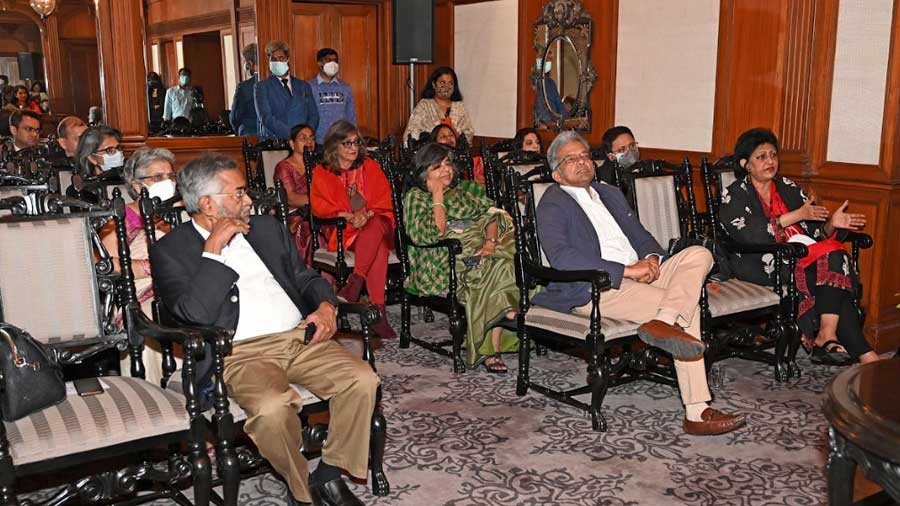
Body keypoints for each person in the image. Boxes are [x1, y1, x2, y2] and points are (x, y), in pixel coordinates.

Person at [150, 154, 377, 506]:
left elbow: (304, 277)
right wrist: (213, 253)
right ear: (208, 204)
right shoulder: (171, 250)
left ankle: (329, 474)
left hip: (300, 337)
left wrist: (326, 306)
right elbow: (191, 315)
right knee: (272, 409)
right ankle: (301, 490)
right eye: (239, 194)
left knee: (363, 380)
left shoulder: (266, 228)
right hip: (240, 353)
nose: (250, 201)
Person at [533, 130, 745, 436]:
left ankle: (663, 321)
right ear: (556, 172)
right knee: (689, 310)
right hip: (599, 286)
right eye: (571, 159)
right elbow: (563, 257)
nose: (581, 162)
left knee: (700, 254)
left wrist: (653, 260)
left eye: (584, 155)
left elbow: (642, 235)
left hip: (643, 273)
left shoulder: (609, 193)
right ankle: (697, 411)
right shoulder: (553, 202)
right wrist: (629, 270)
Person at [719, 128, 879, 365]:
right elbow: (750, 235)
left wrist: (831, 225)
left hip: (802, 255)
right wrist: (796, 216)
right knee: (833, 267)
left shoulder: (787, 187)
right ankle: (861, 352)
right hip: (760, 262)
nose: (770, 161)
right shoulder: (734, 195)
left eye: (773, 155)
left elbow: (815, 233)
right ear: (745, 164)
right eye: (761, 157)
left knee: (833, 257)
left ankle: (829, 335)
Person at [404, 143, 519, 371]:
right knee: (494, 269)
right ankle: (504, 319)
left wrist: (489, 243)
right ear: (423, 171)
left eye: (448, 164)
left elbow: (493, 216)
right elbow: (430, 234)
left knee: (503, 263)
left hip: (481, 251)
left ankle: (491, 345)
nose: (446, 170)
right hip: (442, 259)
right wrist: (437, 195)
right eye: (437, 166)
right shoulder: (416, 197)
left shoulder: (464, 191)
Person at [100, 147, 180, 386]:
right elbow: (106, 264)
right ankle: (156, 393)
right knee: (157, 315)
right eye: (157, 177)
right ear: (136, 185)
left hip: (179, 284)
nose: (167, 182)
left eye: (171, 176)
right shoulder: (120, 217)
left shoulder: (180, 211)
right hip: (137, 291)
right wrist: (150, 267)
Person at [309, 120, 396, 339]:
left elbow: (385, 202)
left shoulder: (370, 166)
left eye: (356, 143)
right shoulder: (322, 172)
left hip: (378, 222)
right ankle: (379, 314)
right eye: (347, 143)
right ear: (334, 146)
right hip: (346, 230)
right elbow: (318, 206)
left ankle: (355, 282)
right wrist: (345, 215)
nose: (353, 148)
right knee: (380, 249)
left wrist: (366, 215)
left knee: (376, 225)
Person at [255, 40, 319, 140]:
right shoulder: (262, 87)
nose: (277, 62)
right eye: (274, 59)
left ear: (287, 59)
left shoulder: (303, 85)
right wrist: (293, 136)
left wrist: (305, 135)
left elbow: (314, 115)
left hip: (303, 142)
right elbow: (266, 118)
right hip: (276, 144)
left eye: (281, 58)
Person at [274, 124, 316, 263]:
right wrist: (320, 201)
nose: (309, 142)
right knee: (312, 230)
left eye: (311, 138)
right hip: (295, 215)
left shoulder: (318, 166)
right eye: (303, 138)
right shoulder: (284, 167)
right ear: (292, 144)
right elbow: (290, 198)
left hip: (317, 211)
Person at [403, 66, 474, 146]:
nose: (446, 87)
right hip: (431, 155)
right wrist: (436, 135)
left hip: (456, 154)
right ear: (434, 84)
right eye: (442, 82)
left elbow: (469, 135)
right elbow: (410, 135)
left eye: (450, 83)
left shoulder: (460, 107)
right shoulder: (424, 106)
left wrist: (454, 132)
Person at [308, 48, 356, 144]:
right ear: (319, 63)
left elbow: (351, 116)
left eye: (335, 61)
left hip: (341, 141)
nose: (332, 64)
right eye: (328, 60)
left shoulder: (345, 87)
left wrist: (352, 138)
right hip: (318, 141)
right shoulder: (309, 86)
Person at [229, 43, 259, 136]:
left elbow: (234, 117)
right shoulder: (278, 83)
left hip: (249, 134)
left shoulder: (244, 87)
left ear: (249, 64)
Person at [533, 57, 567, 125]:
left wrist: (566, 119)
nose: (548, 63)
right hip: (542, 124)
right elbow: (539, 105)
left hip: (554, 123)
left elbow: (559, 103)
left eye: (549, 61)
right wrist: (545, 123)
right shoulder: (533, 82)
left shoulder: (550, 82)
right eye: (546, 60)